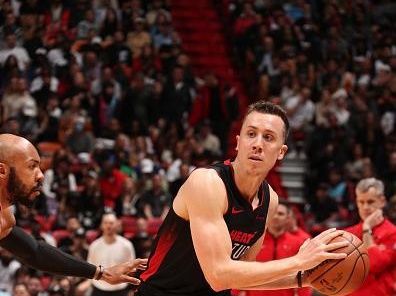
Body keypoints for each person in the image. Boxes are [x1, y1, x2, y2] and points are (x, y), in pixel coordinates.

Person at [137, 101, 348, 295]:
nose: (257, 143)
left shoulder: (270, 200)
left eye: (268, 137)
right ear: (238, 142)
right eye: (251, 134)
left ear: (281, 152)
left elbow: (241, 276)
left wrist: (301, 279)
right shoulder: (207, 183)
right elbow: (219, 276)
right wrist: (298, 261)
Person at [0, 134, 147, 286]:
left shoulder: (5, 218)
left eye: (39, 167)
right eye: (31, 166)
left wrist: (102, 273)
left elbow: (35, 252)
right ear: (2, 171)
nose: (41, 176)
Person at [345, 177, 396, 296]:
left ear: (382, 201)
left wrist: (366, 229)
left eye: (370, 201)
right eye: (361, 202)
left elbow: (374, 264)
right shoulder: (347, 234)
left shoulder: (393, 233)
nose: (365, 207)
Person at [87, 213, 136, 296]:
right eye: (105, 223)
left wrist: (131, 288)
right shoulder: (94, 246)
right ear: (101, 225)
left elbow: (132, 269)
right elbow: (90, 267)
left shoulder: (127, 245)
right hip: (99, 288)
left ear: (117, 225)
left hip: (120, 289)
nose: (108, 226)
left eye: (111, 223)